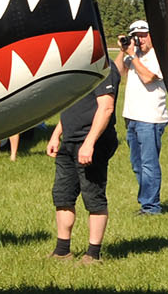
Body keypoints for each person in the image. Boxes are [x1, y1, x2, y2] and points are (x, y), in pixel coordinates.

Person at [46, 57, 121, 263]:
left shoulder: (103, 65)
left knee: (93, 197)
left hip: (91, 141)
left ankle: (93, 254)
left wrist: (89, 143)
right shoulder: (75, 64)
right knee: (62, 196)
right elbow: (71, 105)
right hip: (69, 141)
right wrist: (56, 134)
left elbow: (106, 108)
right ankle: (62, 251)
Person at [118, 18, 168, 215]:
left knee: (149, 164)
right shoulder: (133, 55)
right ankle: (146, 201)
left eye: (144, 35)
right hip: (132, 117)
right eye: (136, 36)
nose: (141, 40)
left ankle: (151, 207)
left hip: (151, 118)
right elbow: (116, 72)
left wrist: (132, 57)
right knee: (137, 165)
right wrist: (124, 51)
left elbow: (148, 78)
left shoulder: (160, 56)